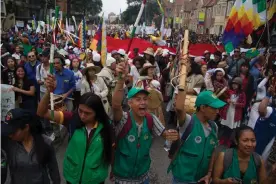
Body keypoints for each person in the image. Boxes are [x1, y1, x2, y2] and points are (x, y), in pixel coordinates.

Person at [37, 75, 113, 184]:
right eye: (80, 111)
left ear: (97, 112)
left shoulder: (106, 126)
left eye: (87, 113)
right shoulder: (72, 119)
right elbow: (41, 112)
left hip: (95, 179)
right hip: (72, 176)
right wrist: (49, 92)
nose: (82, 116)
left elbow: (112, 150)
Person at [112, 61, 179, 183]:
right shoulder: (123, 118)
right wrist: (121, 79)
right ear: (129, 103)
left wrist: (171, 134)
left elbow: (165, 133)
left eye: (145, 99)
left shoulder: (151, 118)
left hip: (143, 176)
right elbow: (116, 105)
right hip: (123, 177)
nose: (143, 102)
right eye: (138, 99)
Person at [168, 89, 226, 184]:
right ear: (203, 108)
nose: (217, 111)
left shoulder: (214, 127)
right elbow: (179, 108)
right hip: (182, 178)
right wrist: (183, 80)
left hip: (201, 179)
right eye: (214, 108)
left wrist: (209, 173)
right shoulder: (188, 121)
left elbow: (212, 152)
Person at [1, 108, 60, 184]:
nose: (10, 135)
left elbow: (54, 172)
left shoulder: (46, 142)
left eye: (13, 132)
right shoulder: (8, 143)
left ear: (26, 127)